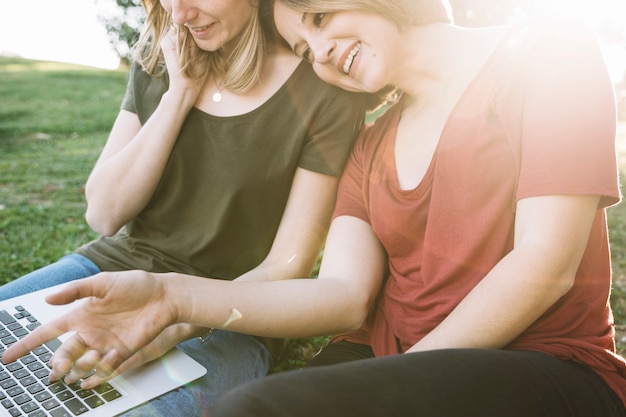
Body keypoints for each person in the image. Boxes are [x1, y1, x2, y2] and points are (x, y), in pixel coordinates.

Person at [4, 0, 626, 415]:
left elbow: (545, 262)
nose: (321, 52)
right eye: (303, 48)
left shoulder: (546, 50)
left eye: (321, 17)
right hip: (383, 357)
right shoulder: (370, 143)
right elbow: (344, 293)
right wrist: (172, 296)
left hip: (547, 362)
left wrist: (399, 376)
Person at [0, 0, 366, 415]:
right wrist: (180, 95)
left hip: (233, 314)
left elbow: (287, 266)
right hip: (112, 269)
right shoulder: (162, 57)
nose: (179, 15)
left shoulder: (323, 89)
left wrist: (174, 313)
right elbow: (103, 215)